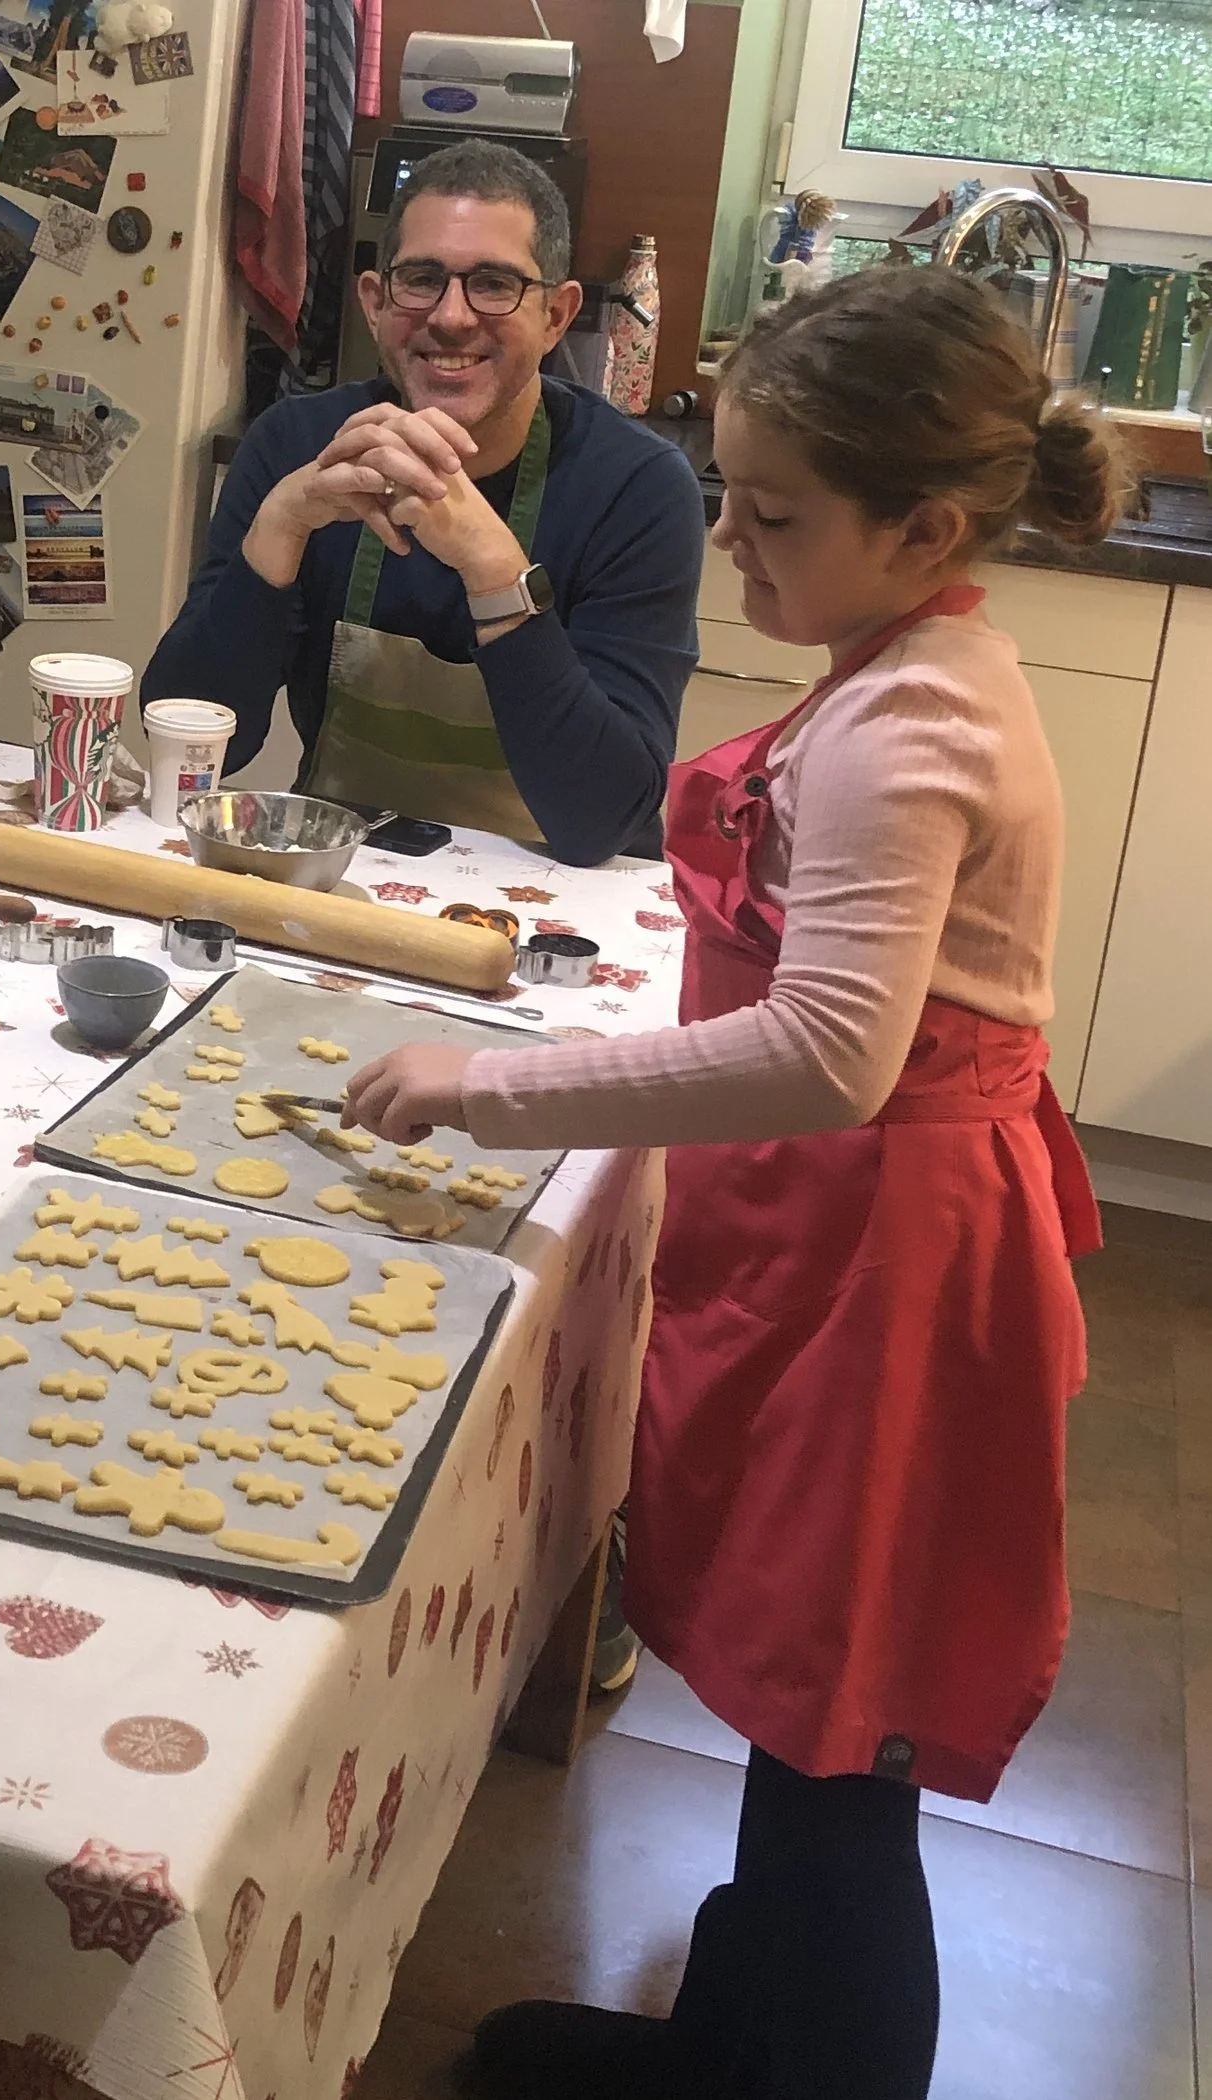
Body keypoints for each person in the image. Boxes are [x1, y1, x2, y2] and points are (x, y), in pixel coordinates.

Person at [342, 266, 1120, 2099]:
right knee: (817, 1711)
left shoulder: (916, 723)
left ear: (922, 529)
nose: (730, 544)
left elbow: (832, 1055)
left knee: (849, 1739)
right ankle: (748, 2029)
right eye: (726, 495)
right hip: (852, 1237)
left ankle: (799, 2064)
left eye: (772, 519)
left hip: (897, 1269)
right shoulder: (903, 665)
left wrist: (497, 1088)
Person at [144, 139, 706, 864]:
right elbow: (196, 746)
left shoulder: (637, 490)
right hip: (344, 877)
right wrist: (277, 534)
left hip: (563, 907)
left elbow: (599, 820)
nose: (451, 317)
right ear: (375, 302)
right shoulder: (299, 448)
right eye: (421, 279)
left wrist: (496, 572)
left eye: (495, 285)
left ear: (558, 316)